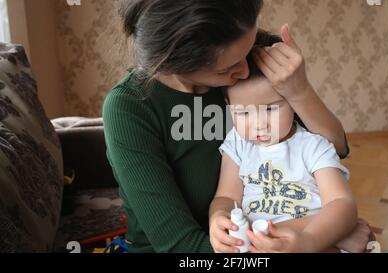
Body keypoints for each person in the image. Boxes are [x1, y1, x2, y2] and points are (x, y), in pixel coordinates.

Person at [103, 0, 372, 253]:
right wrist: (324, 238)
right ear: (172, 62)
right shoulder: (131, 107)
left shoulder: (248, 50)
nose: (245, 72)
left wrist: (300, 91)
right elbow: (180, 247)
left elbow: (333, 147)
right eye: (226, 70)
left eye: (250, 46)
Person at [209, 32, 358, 253]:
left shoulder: (313, 145)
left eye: (270, 108)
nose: (259, 125)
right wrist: (218, 218)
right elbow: (226, 196)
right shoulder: (237, 143)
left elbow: (342, 204)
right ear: (228, 105)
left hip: (309, 243)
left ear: (292, 101)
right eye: (242, 112)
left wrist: (307, 242)